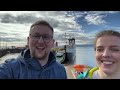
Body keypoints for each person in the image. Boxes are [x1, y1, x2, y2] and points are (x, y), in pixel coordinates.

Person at [0, 20, 67, 79]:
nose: (40, 41)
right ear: (28, 40)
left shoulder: (60, 70)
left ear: (52, 43)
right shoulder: (10, 69)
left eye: (46, 37)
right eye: (36, 36)